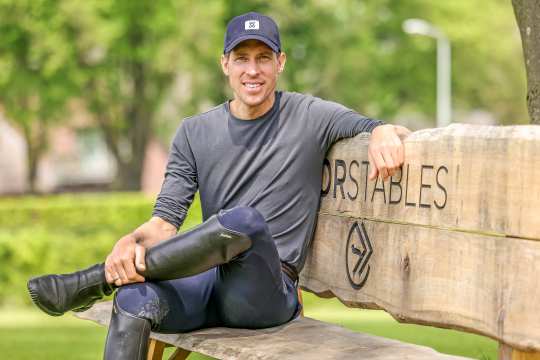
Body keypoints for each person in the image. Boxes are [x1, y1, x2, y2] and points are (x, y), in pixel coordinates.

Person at [27, 11, 410, 360]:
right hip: (209, 285)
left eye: (263, 58)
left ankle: (94, 281)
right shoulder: (194, 132)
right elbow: (163, 224)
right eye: (242, 58)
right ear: (225, 64)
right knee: (133, 299)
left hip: (266, 292)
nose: (252, 70)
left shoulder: (310, 115)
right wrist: (129, 244)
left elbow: (372, 125)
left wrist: (381, 133)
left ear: (281, 63)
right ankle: (111, 280)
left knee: (244, 221)